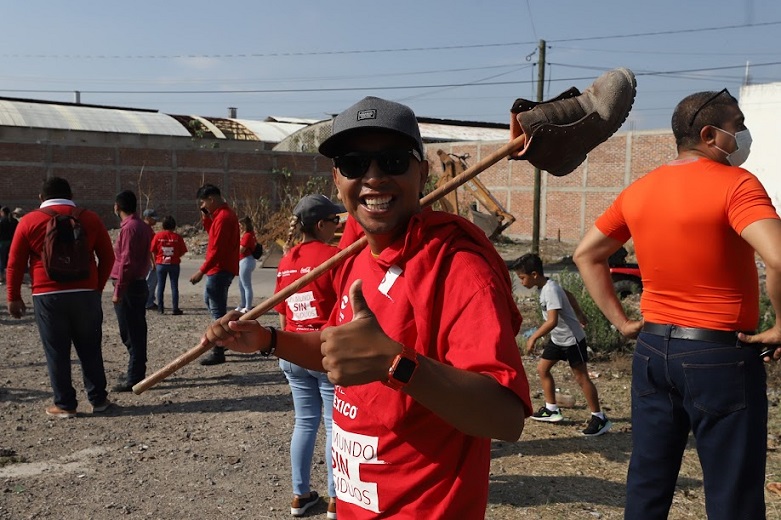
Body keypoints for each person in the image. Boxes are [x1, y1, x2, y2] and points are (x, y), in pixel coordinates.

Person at [201, 69, 635, 517]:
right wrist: (269, 340)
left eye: (392, 161)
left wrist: (396, 363)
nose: (372, 178)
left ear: (422, 172)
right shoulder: (352, 252)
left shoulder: (459, 268)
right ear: (336, 178)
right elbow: (339, 351)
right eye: (354, 164)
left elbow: (505, 418)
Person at [573, 89, 781, 520]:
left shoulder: (640, 189)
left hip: (652, 351)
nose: (743, 134)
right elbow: (778, 257)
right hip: (719, 356)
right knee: (732, 491)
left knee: (648, 480)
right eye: (737, 125)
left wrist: (621, 321)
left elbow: (586, 254)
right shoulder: (737, 184)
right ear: (709, 134)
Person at [6, 177, 114, 417]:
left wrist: (13, 297)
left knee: (56, 350)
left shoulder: (29, 221)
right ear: (70, 194)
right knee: (90, 348)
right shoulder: (90, 218)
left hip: (47, 295)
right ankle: (99, 400)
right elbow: (108, 257)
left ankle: (65, 405)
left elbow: (14, 264)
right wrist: (96, 288)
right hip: (86, 294)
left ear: (41, 198)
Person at [275, 194, 343, 518]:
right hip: (324, 351)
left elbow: (282, 315)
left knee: (304, 422)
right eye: (335, 222)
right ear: (321, 224)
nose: (338, 227)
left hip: (292, 349)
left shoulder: (287, 260)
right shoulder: (333, 256)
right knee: (333, 426)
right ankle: (335, 499)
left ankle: (300, 495)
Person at [511, 253, 612, 436]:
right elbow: (569, 294)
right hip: (558, 340)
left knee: (581, 378)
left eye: (522, 278)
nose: (521, 282)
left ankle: (599, 418)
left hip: (572, 340)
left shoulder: (550, 290)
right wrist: (579, 314)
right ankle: (552, 409)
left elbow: (552, 321)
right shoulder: (547, 286)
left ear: (534, 274)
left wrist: (533, 337)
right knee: (543, 369)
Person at [111, 190, 155, 392]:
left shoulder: (129, 228)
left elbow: (126, 262)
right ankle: (136, 370)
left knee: (130, 332)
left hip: (129, 285)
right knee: (135, 330)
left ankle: (135, 376)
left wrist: (118, 290)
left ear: (117, 207)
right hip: (138, 283)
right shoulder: (143, 227)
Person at [191, 183, 240, 366]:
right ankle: (225, 339)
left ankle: (219, 348)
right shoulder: (220, 216)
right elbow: (213, 235)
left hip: (219, 269)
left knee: (217, 310)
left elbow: (217, 249)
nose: (203, 205)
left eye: (204, 202)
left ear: (211, 199)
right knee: (211, 303)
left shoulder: (224, 217)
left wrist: (201, 271)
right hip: (219, 269)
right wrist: (206, 218)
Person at [150, 215, 187, 316]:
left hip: (160, 264)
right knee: (174, 286)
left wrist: (154, 262)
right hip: (174, 264)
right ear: (174, 226)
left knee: (160, 286)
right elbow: (183, 251)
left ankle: (160, 308)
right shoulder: (177, 237)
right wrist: (175, 256)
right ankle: (175, 309)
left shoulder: (158, 236)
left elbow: (153, 250)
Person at [236, 216, 258, 314]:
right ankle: (243, 304)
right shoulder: (247, 234)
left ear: (245, 225)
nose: (239, 227)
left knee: (246, 285)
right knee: (241, 284)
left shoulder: (247, 235)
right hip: (244, 260)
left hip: (246, 260)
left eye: (240, 225)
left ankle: (248, 306)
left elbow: (241, 249)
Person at [142, 208, 159, 310]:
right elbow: (150, 248)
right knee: (151, 281)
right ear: (147, 218)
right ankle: (148, 302)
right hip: (148, 259)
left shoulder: (146, 228)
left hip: (146, 259)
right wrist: (153, 262)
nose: (156, 221)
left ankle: (150, 300)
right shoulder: (147, 230)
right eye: (153, 219)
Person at [0, 206, 18, 284]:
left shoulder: (1, 221)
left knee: (1, 260)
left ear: (2, 212)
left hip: (3, 242)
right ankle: (12, 276)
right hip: (12, 241)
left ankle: (1, 277)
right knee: (10, 259)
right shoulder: (14, 221)